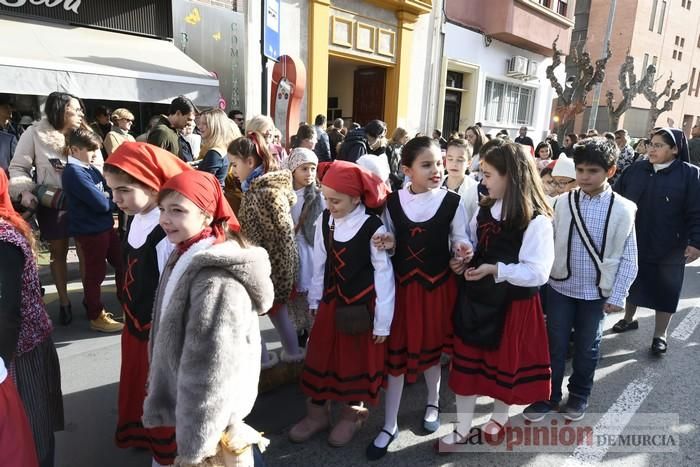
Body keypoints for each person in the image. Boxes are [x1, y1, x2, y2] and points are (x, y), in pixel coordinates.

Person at [142, 170, 272, 466]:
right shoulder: (184, 252)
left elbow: (211, 369)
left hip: (211, 418)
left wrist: (194, 444)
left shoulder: (214, 280)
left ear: (206, 215)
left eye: (178, 210)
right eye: (162, 209)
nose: (165, 218)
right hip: (195, 410)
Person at [438, 142, 554, 450]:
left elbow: (539, 272)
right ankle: (462, 429)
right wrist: (463, 256)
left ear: (511, 176)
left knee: (504, 368)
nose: (483, 180)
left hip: (512, 306)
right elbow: (475, 244)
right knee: (465, 368)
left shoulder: (537, 219)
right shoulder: (485, 206)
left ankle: (499, 418)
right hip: (477, 299)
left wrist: (496, 270)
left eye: (488, 174)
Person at [367, 136, 472, 460]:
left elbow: (462, 238)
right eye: (427, 165)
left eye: (439, 163)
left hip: (436, 291)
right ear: (406, 169)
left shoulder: (452, 202)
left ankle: (432, 402)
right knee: (395, 360)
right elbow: (389, 237)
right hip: (402, 292)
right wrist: (386, 240)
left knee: (431, 354)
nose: (437, 170)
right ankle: (389, 423)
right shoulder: (393, 203)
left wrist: (462, 252)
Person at [524, 137, 638, 424]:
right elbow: (545, 241)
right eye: (580, 170)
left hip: (596, 293)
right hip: (560, 287)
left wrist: (617, 295)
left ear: (611, 171)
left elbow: (629, 256)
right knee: (554, 345)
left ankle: (578, 396)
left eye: (593, 171)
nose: (585, 177)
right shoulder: (561, 203)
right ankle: (547, 396)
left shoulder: (624, 209)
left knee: (588, 347)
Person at [289, 161, 394, 447]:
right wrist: (314, 297)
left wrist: (383, 321)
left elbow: (384, 275)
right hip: (332, 303)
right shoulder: (325, 219)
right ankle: (317, 414)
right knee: (320, 356)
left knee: (353, 363)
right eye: (326, 198)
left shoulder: (373, 226)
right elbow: (321, 264)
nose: (329, 204)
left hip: (361, 309)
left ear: (356, 198)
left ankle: (352, 416)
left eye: (335, 200)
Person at [104, 143, 189, 465]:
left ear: (152, 184)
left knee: (162, 390)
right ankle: (145, 433)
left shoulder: (165, 228)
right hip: (136, 323)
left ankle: (167, 449)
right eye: (112, 191)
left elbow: (176, 285)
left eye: (124, 190)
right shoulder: (136, 218)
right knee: (140, 384)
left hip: (159, 329)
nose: (116, 199)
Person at [612, 128, 700, 355]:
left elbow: (697, 212)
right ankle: (628, 319)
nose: (651, 149)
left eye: (659, 145)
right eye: (651, 144)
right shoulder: (636, 169)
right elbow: (615, 198)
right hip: (634, 241)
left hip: (670, 246)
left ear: (674, 150)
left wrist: (696, 242)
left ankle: (660, 334)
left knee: (666, 291)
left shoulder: (690, 175)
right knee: (631, 282)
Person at [0, 169, 64, 467]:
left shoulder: (3, 239)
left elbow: (7, 312)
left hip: (17, 353)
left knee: (29, 436)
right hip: (14, 350)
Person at [9, 91, 86, 325]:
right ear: (61, 110)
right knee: (58, 252)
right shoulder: (34, 133)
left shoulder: (84, 133)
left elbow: (100, 164)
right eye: (76, 108)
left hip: (84, 200)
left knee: (86, 250)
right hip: (54, 202)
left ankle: (90, 300)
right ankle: (64, 303)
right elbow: (18, 167)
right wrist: (24, 191)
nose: (81, 112)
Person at [228, 133, 303, 367]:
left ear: (250, 162)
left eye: (234, 164)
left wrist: (276, 275)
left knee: (252, 316)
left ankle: (262, 362)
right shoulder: (258, 189)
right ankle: (291, 354)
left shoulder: (264, 192)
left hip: (265, 269)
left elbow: (282, 239)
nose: (232, 170)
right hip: (268, 267)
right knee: (277, 314)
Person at [62, 129, 124, 332]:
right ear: (75, 150)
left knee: (122, 263)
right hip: (91, 230)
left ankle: (126, 303)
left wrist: (108, 197)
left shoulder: (88, 169)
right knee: (95, 274)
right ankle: (96, 315)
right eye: (91, 150)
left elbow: (108, 193)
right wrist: (109, 198)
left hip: (103, 227)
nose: (95, 154)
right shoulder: (73, 172)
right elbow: (102, 202)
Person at [283, 148, 324, 348]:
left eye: (312, 169)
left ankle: (312, 333)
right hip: (290, 251)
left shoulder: (317, 196)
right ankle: (298, 333)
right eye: (304, 169)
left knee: (310, 294)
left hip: (310, 249)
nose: (309, 173)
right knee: (294, 297)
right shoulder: (283, 195)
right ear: (292, 170)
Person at [147, 96, 197, 162]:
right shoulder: (162, 132)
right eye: (189, 119)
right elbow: (154, 162)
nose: (190, 123)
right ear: (178, 113)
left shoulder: (172, 131)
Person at [196, 108, 236, 188]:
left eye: (205, 123)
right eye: (199, 123)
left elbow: (204, 183)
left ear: (216, 126)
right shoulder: (222, 149)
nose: (200, 127)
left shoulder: (215, 153)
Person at [443, 138, 479, 222]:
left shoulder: (475, 189)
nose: (454, 164)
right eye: (450, 159)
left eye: (460, 160)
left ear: (469, 162)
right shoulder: (436, 184)